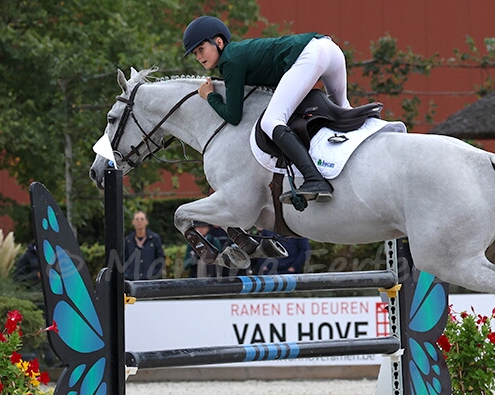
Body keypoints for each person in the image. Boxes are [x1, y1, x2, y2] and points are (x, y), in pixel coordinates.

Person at [183, 16, 352, 204]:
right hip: (329, 48)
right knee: (343, 109)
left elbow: (233, 116)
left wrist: (210, 96)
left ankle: (314, 179)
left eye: (201, 49)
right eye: (195, 53)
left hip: (310, 54)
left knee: (271, 122)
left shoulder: (230, 61)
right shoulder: (237, 53)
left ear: (219, 42)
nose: (198, 57)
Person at [123, 211, 166, 280]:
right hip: (132, 279)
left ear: (146, 221)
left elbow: (160, 257)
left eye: (142, 219)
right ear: (133, 222)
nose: (139, 221)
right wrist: (128, 273)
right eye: (137, 219)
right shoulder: (128, 240)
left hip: (150, 280)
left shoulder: (154, 239)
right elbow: (124, 258)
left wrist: (155, 273)